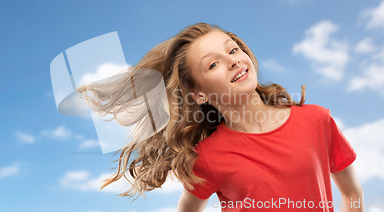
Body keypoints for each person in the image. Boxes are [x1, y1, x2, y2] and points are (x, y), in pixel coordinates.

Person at [76, 23, 364, 212]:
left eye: (233, 49)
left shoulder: (316, 120)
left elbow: (352, 195)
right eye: (213, 64)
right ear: (198, 93)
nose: (232, 60)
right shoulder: (208, 159)